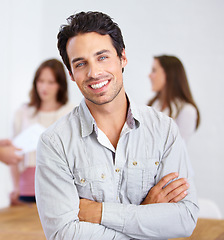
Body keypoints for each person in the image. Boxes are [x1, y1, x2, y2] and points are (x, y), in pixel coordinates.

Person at [35, 11, 198, 240]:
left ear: (122, 57)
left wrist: (100, 212)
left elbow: (184, 219)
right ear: (71, 74)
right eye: (81, 64)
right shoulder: (55, 143)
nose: (94, 73)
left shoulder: (164, 130)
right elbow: (64, 234)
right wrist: (147, 214)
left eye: (102, 57)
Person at [10, 59, 74, 204]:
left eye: (51, 82)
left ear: (60, 85)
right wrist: (15, 187)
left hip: (59, 188)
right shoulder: (23, 112)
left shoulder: (70, 112)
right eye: (41, 81)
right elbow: (13, 154)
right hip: (26, 187)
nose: (44, 87)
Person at [148, 55, 200, 142]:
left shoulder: (187, 111)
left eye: (154, 71)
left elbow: (178, 149)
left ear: (168, 74)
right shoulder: (153, 105)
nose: (150, 75)